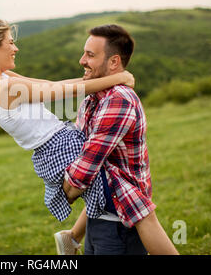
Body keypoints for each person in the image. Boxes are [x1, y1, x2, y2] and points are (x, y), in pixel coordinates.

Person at [0, 18, 177, 255]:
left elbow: (53, 84)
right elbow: (64, 91)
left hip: (57, 144)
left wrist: (101, 80)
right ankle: (76, 236)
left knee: (115, 182)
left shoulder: (0, 81)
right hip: (58, 148)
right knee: (130, 196)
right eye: (10, 43)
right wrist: (119, 78)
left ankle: (72, 237)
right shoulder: (3, 89)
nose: (15, 48)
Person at [61, 24, 178, 255]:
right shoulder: (91, 100)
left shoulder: (118, 99)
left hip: (121, 222)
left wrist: (61, 191)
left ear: (114, 62)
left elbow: (84, 168)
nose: (82, 60)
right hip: (97, 215)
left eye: (90, 55)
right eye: (84, 53)